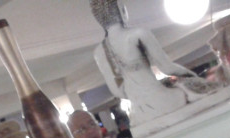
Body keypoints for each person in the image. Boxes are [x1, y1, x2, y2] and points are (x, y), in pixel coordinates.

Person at [89, 0, 221, 128]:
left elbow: (117, 92)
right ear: (120, 9)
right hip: (163, 101)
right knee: (196, 89)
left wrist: (137, 93)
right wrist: (191, 75)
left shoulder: (99, 52)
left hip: (138, 114)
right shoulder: (138, 33)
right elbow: (167, 68)